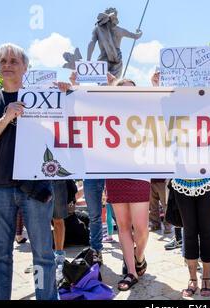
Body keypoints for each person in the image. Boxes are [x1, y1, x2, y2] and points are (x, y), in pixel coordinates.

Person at [0, 43, 58, 300]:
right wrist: (5, 118)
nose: (7, 64)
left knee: (43, 256)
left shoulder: (45, 99)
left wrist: (67, 94)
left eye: (13, 61)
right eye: (3, 60)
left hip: (36, 189)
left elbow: (70, 125)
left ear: (25, 67)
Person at [104, 78, 151, 291]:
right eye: (122, 91)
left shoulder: (146, 113)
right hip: (114, 173)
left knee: (141, 227)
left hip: (141, 173)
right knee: (123, 226)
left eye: (132, 91)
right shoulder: (107, 115)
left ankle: (139, 257)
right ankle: (131, 272)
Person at [68, 70, 115, 264]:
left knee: (122, 214)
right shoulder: (82, 116)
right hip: (91, 171)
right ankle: (96, 250)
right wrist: (74, 84)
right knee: (95, 215)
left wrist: (111, 85)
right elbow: (72, 106)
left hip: (114, 169)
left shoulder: (110, 112)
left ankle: (133, 254)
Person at [87, 7, 142, 78]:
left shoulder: (97, 28)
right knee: (114, 84)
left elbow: (92, 42)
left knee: (103, 85)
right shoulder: (120, 30)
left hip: (105, 60)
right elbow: (136, 36)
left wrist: (88, 60)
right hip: (116, 60)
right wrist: (140, 32)